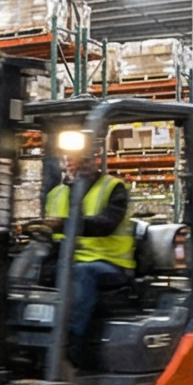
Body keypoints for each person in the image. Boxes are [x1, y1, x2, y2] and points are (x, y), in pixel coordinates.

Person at [37, 139, 135, 370]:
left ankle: (73, 345)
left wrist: (64, 224)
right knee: (30, 271)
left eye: (86, 159)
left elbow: (105, 224)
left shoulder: (113, 188)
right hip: (68, 261)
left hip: (110, 264)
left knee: (81, 274)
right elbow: (51, 233)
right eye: (73, 159)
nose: (80, 164)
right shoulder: (56, 194)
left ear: (96, 160)